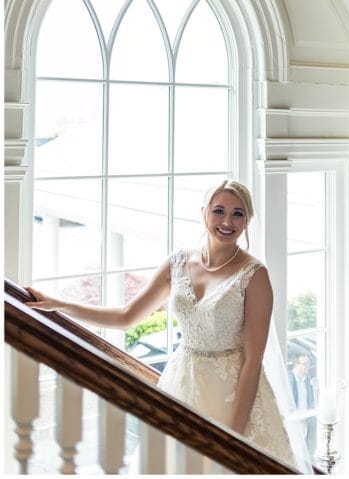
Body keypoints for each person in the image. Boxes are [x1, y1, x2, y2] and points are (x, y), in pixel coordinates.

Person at [27, 179, 301, 469]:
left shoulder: (254, 275)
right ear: (204, 212)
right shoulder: (178, 262)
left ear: (247, 221)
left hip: (232, 396)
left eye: (238, 214)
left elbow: (253, 361)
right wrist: (60, 305)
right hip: (182, 386)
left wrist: (232, 437)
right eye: (219, 210)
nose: (227, 221)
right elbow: (126, 316)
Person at [289, 352, 318, 454]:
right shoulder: (288, 379)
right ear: (296, 364)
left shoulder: (309, 379)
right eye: (304, 363)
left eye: (308, 363)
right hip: (293, 421)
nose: (307, 366)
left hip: (306, 421)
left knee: (305, 450)